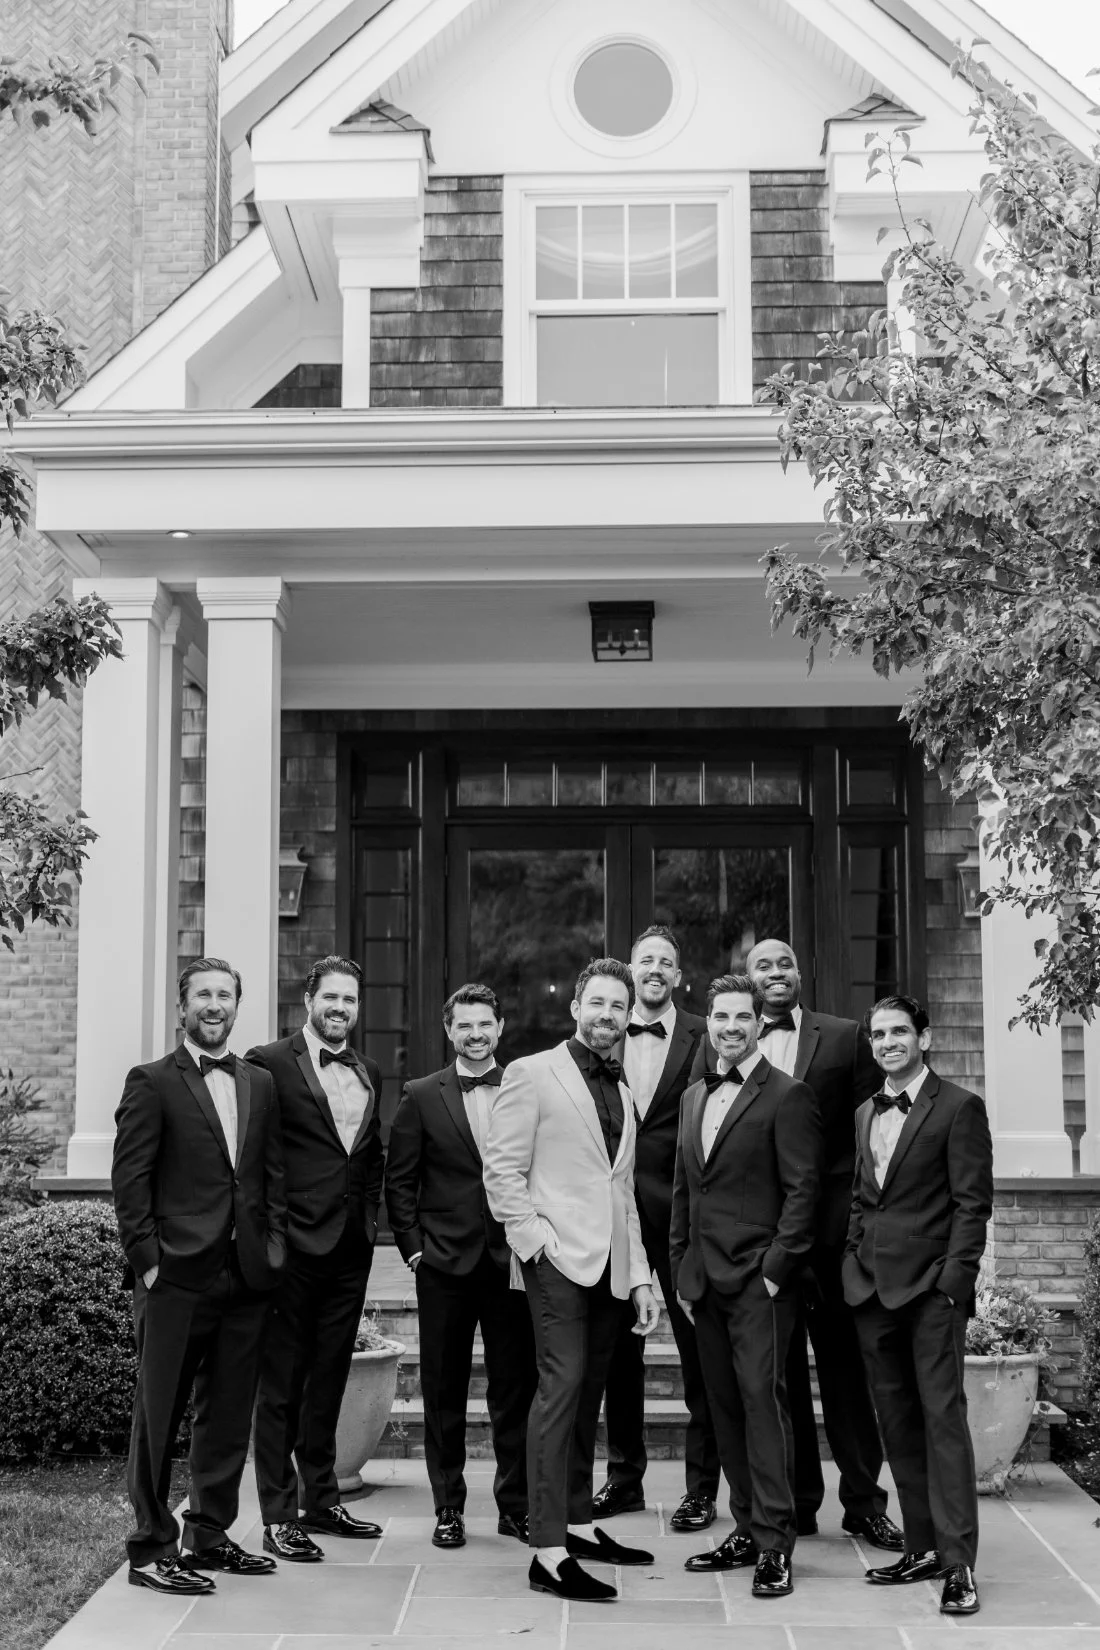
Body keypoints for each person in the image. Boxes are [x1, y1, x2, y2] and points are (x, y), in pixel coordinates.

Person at [483, 958, 661, 1604]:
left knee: (589, 1394)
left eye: (620, 1006)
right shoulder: (531, 1074)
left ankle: (580, 1524)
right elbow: (501, 1174)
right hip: (554, 1260)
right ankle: (547, 1551)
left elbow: (624, 1192)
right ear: (576, 1007)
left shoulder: (627, 1091)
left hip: (612, 1264)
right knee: (558, 1390)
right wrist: (536, 1246)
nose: (609, 1015)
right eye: (599, 1004)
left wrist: (641, 1277)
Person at [112, 958, 287, 1595]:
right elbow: (130, 1181)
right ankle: (152, 1547)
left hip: (246, 1278)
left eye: (225, 995)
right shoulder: (152, 1081)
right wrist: (150, 1263)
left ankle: (209, 1536)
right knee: (159, 1414)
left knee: (227, 1413)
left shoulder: (258, 1083)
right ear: (182, 1005)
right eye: (203, 995)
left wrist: (273, 1250)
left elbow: (269, 1178)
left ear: (238, 1006)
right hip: (176, 1278)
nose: (214, 1005)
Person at [744, 939, 901, 1550]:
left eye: (785, 963)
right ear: (748, 978)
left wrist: (863, 1233)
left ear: (800, 973)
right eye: (764, 965)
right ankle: (798, 1503)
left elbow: (871, 1137)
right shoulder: (727, 1039)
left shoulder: (843, 1037)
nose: (776, 973)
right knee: (776, 1376)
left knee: (846, 1375)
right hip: (768, 1238)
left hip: (836, 1239)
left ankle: (864, 1502)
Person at [671, 973, 821, 1600]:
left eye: (741, 1017)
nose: (730, 1027)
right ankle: (745, 1526)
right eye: (720, 1017)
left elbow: (803, 1192)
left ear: (759, 1023)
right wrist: (680, 1265)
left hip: (759, 1282)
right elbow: (686, 1189)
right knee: (723, 1406)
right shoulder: (692, 1096)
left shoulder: (789, 1096)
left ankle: (777, 1544)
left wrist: (773, 1272)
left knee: (763, 1406)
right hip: (702, 1281)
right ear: (708, 1022)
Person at [844, 993, 993, 1617]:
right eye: (878, 1035)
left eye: (899, 1032)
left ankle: (959, 1566)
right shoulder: (862, 1113)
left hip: (932, 1292)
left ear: (923, 1039)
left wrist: (952, 1284)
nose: (887, 1043)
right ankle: (922, 1545)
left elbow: (972, 1204)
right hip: (872, 1290)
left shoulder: (959, 1108)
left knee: (943, 1424)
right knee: (898, 1425)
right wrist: (852, 1259)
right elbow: (861, 1197)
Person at [386, 982, 538, 1550]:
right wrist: (414, 1248)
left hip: (509, 1264)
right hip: (443, 1265)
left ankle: (515, 1506)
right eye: (464, 1026)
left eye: (485, 1024)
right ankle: (448, 1507)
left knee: (513, 1390)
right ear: (449, 1031)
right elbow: (399, 1180)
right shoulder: (422, 1094)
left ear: (500, 1028)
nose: (475, 1034)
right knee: (444, 1391)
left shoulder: (526, 1088)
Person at [247, 956, 385, 1562]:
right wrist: (268, 1240)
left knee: (329, 1374)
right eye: (331, 997)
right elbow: (254, 1158)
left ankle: (321, 1499)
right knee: (281, 1384)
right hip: (292, 1249)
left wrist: (371, 1223)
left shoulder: (368, 1069)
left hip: (350, 1249)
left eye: (350, 1000)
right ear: (308, 1000)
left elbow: (368, 1157)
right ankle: (279, 1513)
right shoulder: (268, 1063)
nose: (340, 1009)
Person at [593, 925, 716, 1532]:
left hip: (682, 1214)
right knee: (620, 1352)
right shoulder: (602, 1031)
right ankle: (623, 1479)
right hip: (615, 1217)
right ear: (630, 969)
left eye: (666, 961)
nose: (655, 969)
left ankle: (701, 1488)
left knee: (699, 1354)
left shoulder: (704, 1034)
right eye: (646, 960)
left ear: (677, 974)